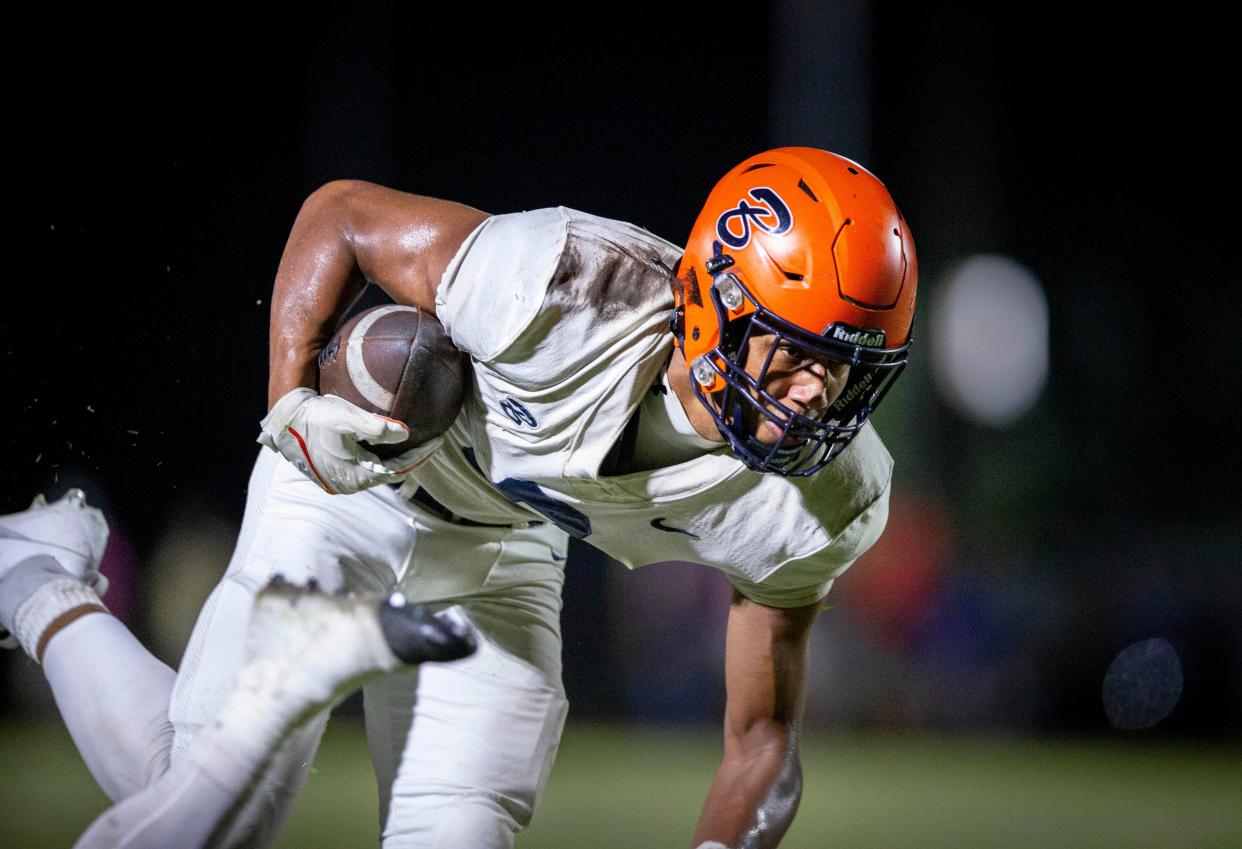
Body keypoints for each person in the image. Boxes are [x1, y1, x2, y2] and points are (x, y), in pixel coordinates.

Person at [0, 146, 917, 849]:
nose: (815, 396)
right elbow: (343, 214)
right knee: (215, 797)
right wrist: (288, 400)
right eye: (798, 353)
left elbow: (761, 738)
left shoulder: (828, 494)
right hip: (362, 484)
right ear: (719, 303)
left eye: (848, 373)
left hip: (505, 552)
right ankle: (35, 575)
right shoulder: (559, 282)